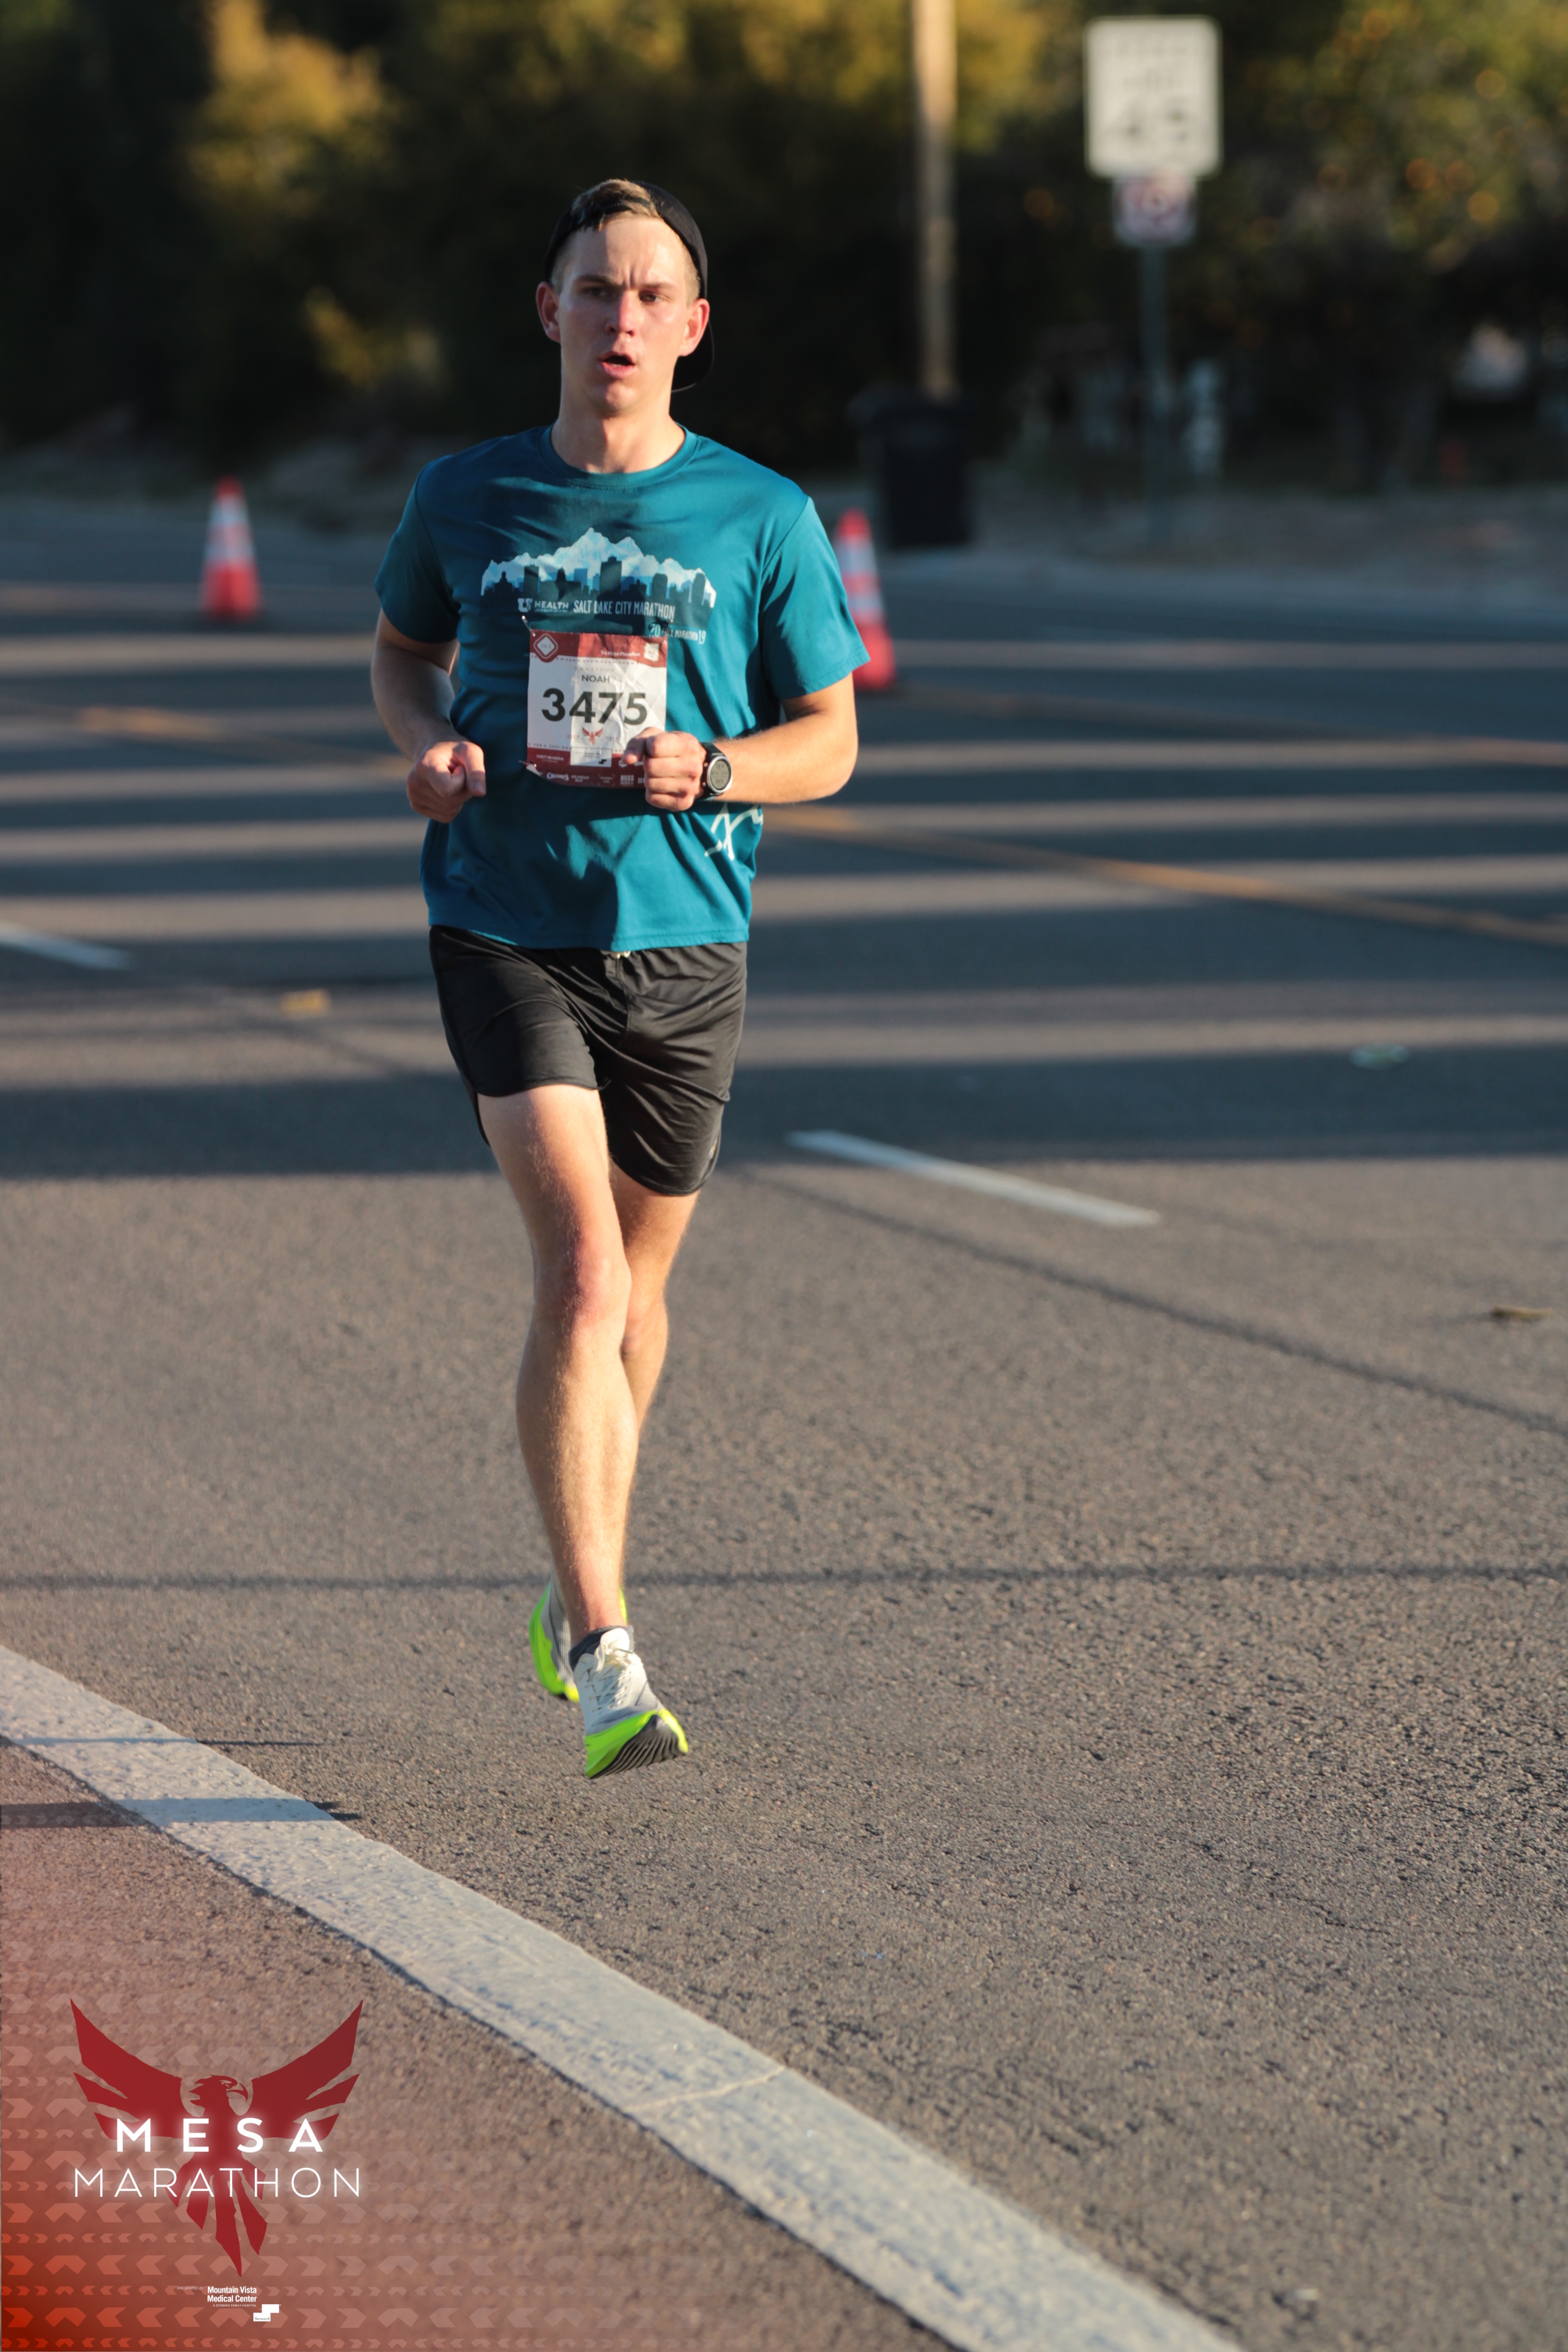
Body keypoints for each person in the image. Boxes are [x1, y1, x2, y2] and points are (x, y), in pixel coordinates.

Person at [370, 179, 865, 1779]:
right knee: (582, 1276)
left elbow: (831, 742)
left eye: (653, 295)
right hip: (504, 921)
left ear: (693, 326)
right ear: (551, 312)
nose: (623, 318)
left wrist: (716, 767)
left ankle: (570, 1571)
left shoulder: (763, 515)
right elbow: (400, 652)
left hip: (687, 940)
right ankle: (603, 1646)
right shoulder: (467, 495)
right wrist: (427, 749)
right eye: (597, 290)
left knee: (640, 1302)